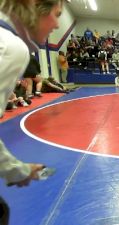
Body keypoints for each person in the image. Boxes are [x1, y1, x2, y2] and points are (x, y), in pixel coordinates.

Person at [0, 0, 64, 224]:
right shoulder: (11, 47)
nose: (57, 24)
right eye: (57, 14)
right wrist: (16, 171)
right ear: (35, 5)